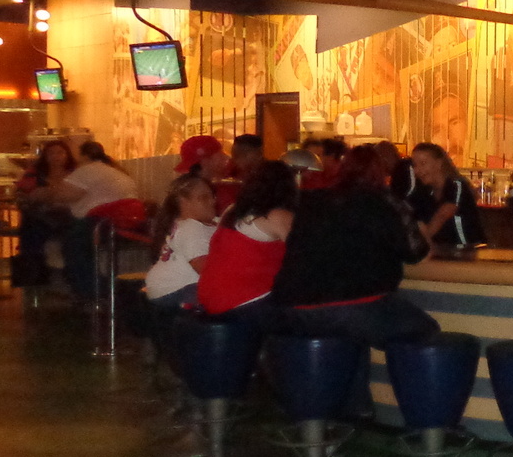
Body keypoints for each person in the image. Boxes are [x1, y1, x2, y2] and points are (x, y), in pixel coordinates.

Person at [274, 145, 435, 416]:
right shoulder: (387, 201)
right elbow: (414, 252)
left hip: (291, 309)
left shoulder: (312, 201)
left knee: (350, 336)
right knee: (425, 329)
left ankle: (355, 411)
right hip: (356, 305)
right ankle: (423, 418)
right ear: (381, 173)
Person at [196, 160, 296, 338]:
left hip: (211, 299)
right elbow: (302, 255)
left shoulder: (232, 211)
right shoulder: (278, 216)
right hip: (246, 300)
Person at [51, 141, 141, 301]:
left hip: (103, 224)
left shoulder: (86, 171)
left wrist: (43, 193)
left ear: (83, 156)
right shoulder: (117, 171)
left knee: (72, 243)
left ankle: (89, 293)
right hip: (132, 223)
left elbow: (63, 196)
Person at [144, 173, 217, 310]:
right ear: (183, 202)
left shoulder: (210, 224)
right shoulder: (190, 227)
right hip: (176, 289)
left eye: (212, 196)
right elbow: (203, 268)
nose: (212, 201)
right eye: (204, 198)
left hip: (170, 288)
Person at [13, 140, 76, 287]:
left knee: (34, 226)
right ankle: (33, 278)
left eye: (60, 152)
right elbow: (21, 194)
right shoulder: (34, 174)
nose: (56, 156)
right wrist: (35, 196)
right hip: (41, 214)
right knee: (31, 225)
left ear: (67, 155)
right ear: (45, 156)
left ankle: (39, 278)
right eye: (51, 153)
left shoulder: (75, 173)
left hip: (67, 214)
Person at [407, 142, 485, 250]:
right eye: (415, 165)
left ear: (439, 164)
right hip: (441, 253)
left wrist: (421, 240)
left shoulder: (457, 185)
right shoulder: (424, 192)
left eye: (423, 163)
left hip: (467, 252)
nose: (418, 170)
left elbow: (444, 214)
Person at [176, 135, 238, 213]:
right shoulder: (216, 192)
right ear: (205, 160)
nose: (225, 157)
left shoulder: (183, 189)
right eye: (220, 154)